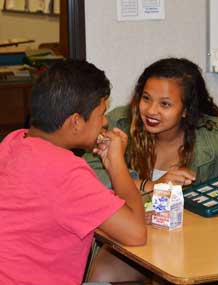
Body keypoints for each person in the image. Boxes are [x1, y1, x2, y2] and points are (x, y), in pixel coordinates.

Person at [84, 57, 218, 283]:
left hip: (192, 244)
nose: (151, 110)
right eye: (146, 98)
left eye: (165, 104)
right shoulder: (119, 123)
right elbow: (87, 175)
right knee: (101, 275)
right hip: (133, 239)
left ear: (186, 109)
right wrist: (149, 185)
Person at [0, 59, 147, 285]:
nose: (105, 121)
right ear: (76, 122)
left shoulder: (13, 142)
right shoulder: (64, 171)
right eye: (101, 113)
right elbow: (136, 233)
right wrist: (116, 163)